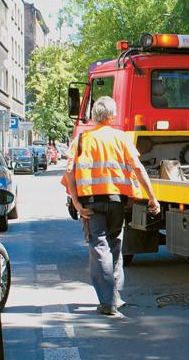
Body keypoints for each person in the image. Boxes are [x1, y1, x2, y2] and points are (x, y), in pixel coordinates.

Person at [65, 96, 160, 317]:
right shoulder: (121, 138)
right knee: (115, 245)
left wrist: (77, 202)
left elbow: (69, 172)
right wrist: (152, 197)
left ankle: (108, 302)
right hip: (117, 202)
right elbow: (137, 167)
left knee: (100, 249)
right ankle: (116, 297)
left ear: (94, 116)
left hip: (91, 204)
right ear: (112, 115)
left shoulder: (81, 140)